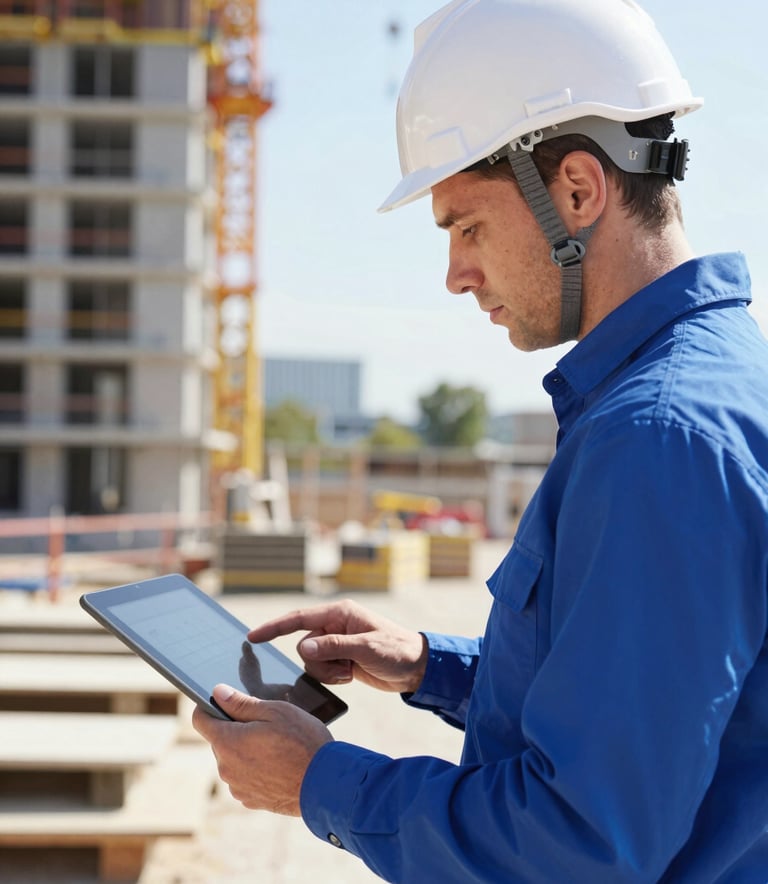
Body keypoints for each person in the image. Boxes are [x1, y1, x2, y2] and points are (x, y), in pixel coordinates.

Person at [193, 0, 768, 880]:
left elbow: (578, 845)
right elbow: (659, 702)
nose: (456, 274)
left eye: (468, 226)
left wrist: (319, 781)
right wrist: (432, 668)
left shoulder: (656, 439)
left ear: (578, 191)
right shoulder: (709, 384)